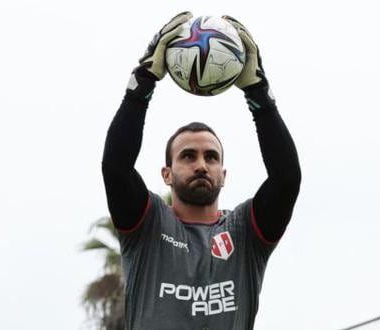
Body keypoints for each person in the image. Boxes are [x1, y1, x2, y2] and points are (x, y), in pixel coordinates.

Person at [101, 12, 301, 329]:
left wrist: (258, 92)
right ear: (166, 173)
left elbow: (287, 179)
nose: (200, 165)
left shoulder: (246, 231)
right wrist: (142, 83)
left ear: (223, 173)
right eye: (188, 156)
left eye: (211, 157)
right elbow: (116, 168)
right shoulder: (148, 223)